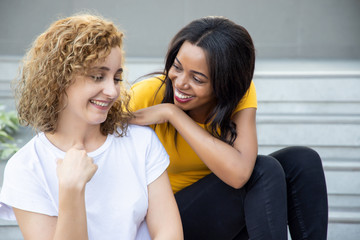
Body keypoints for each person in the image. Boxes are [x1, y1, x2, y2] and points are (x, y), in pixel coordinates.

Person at [129, 16, 328, 240]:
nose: (181, 82)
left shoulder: (239, 94)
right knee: (264, 170)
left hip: (220, 214)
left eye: (198, 78)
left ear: (226, 84)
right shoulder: (147, 93)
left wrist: (173, 114)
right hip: (166, 220)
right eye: (177, 67)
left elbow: (239, 172)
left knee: (302, 160)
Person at [0, 14, 183, 240]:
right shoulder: (26, 167)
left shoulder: (141, 142)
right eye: (97, 77)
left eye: (116, 78)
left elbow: (169, 233)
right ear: (59, 78)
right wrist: (70, 189)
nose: (112, 91)